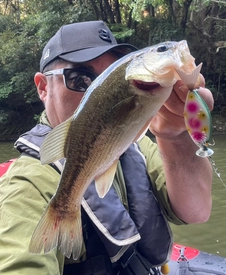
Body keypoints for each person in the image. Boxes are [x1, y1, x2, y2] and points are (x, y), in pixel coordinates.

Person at [0, 21, 214, 275]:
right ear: (43, 87)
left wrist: (176, 135)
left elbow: (197, 212)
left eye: (108, 77)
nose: (95, 89)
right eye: (80, 78)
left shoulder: (137, 145)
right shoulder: (27, 184)